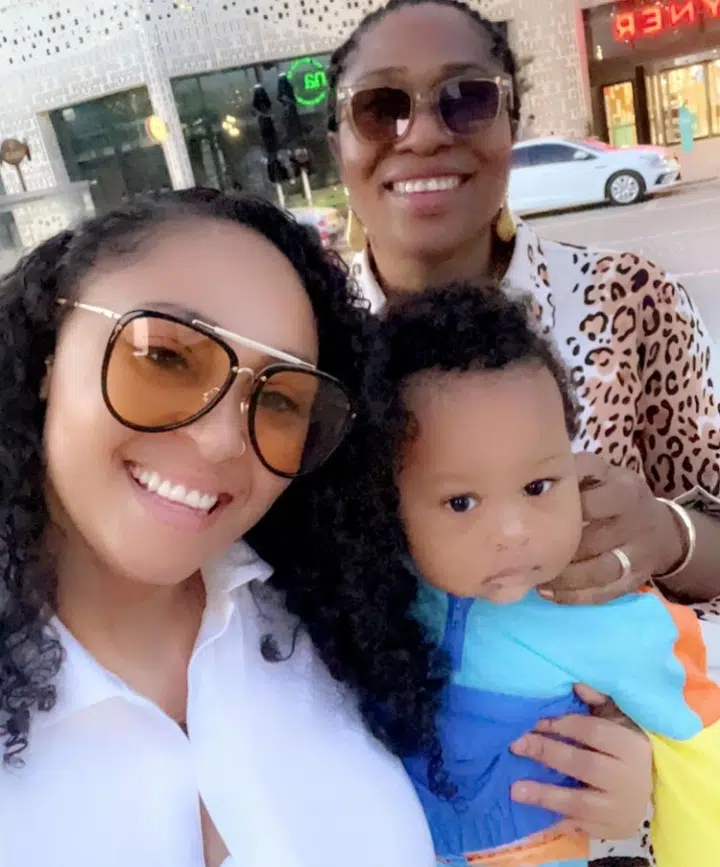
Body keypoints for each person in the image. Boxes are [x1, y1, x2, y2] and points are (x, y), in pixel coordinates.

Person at [325, 0, 720, 862]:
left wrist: (672, 534)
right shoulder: (303, 344)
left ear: (512, 121)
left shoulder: (628, 298)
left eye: (465, 98)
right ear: (338, 142)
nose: (423, 133)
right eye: (381, 106)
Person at [0, 189, 438, 867]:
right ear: (50, 353)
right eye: (166, 358)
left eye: (281, 399)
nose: (220, 440)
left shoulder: (345, 628)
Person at [329, 282, 719, 867]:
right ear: (386, 501)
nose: (513, 531)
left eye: (538, 486)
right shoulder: (359, 592)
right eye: (461, 502)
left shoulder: (607, 616)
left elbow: (702, 742)